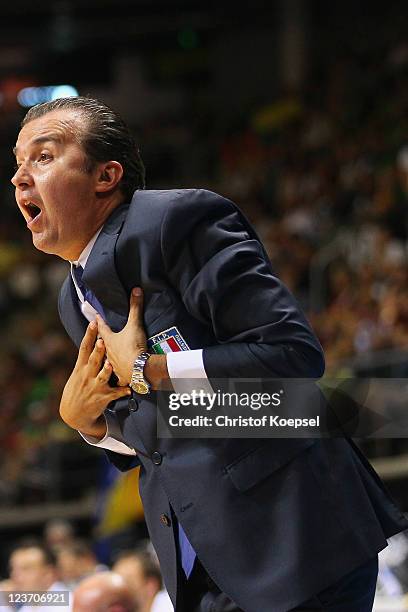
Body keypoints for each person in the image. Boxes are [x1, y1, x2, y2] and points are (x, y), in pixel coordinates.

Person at [12, 96, 408, 612]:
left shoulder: (175, 220)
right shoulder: (73, 297)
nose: (20, 178)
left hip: (294, 543)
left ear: (106, 175)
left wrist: (148, 369)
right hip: (202, 562)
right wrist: (91, 425)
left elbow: (292, 357)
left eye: (43, 157)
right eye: (17, 163)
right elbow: (164, 428)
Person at [8, 542, 67, 612]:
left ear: (48, 574)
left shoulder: (69, 606)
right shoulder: (28, 606)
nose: (14, 575)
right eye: (12, 569)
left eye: (25, 568)